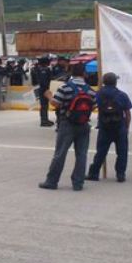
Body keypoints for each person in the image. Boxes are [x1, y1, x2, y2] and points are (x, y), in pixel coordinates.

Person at [39, 63, 95, 191]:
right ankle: (78, 183)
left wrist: (48, 96)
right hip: (84, 125)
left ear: (71, 73)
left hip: (67, 124)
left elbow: (56, 104)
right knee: (82, 155)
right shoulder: (91, 90)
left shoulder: (65, 87)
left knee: (60, 154)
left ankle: (52, 181)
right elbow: (94, 105)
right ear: (84, 74)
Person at [86, 72, 132, 182]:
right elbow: (128, 113)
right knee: (122, 152)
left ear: (103, 82)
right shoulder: (122, 95)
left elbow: (91, 107)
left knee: (101, 151)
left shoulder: (98, 94)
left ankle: (94, 173)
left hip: (104, 126)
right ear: (115, 82)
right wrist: (127, 127)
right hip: (119, 126)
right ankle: (120, 174)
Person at [30, 56, 54, 127]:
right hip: (44, 89)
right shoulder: (44, 70)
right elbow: (44, 81)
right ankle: (44, 121)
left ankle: (45, 119)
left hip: (41, 89)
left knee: (44, 106)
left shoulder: (37, 69)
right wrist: (47, 89)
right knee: (44, 106)